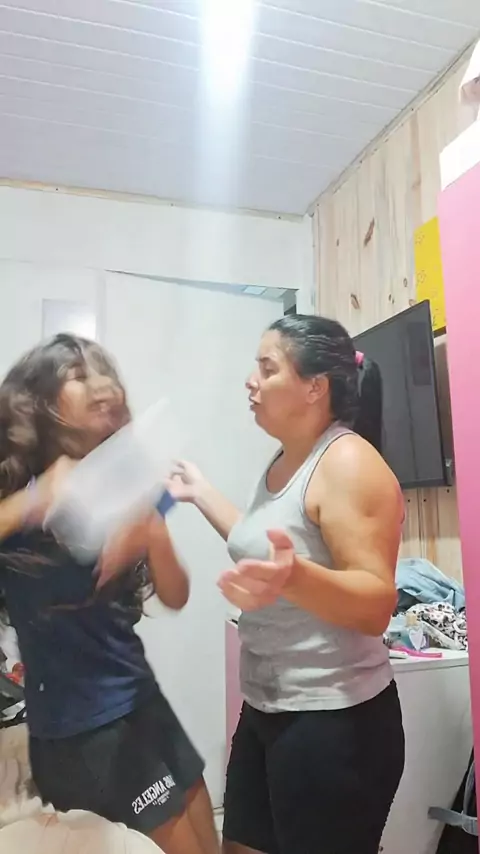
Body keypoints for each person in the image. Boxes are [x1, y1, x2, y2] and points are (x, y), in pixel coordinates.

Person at [168, 314, 405, 854]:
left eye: (267, 368)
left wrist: (293, 577)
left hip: (334, 722)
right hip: (267, 708)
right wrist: (201, 492)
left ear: (315, 387)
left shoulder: (348, 463)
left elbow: (376, 603)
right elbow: (264, 543)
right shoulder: (284, 457)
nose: (250, 381)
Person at [0, 334, 219, 854]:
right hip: (84, 731)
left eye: (103, 372)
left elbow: (177, 595)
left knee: (209, 844)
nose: (102, 386)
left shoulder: (126, 481)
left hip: (143, 700)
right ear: (41, 401)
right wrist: (36, 498)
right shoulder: (21, 495)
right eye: (79, 376)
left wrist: (152, 531)